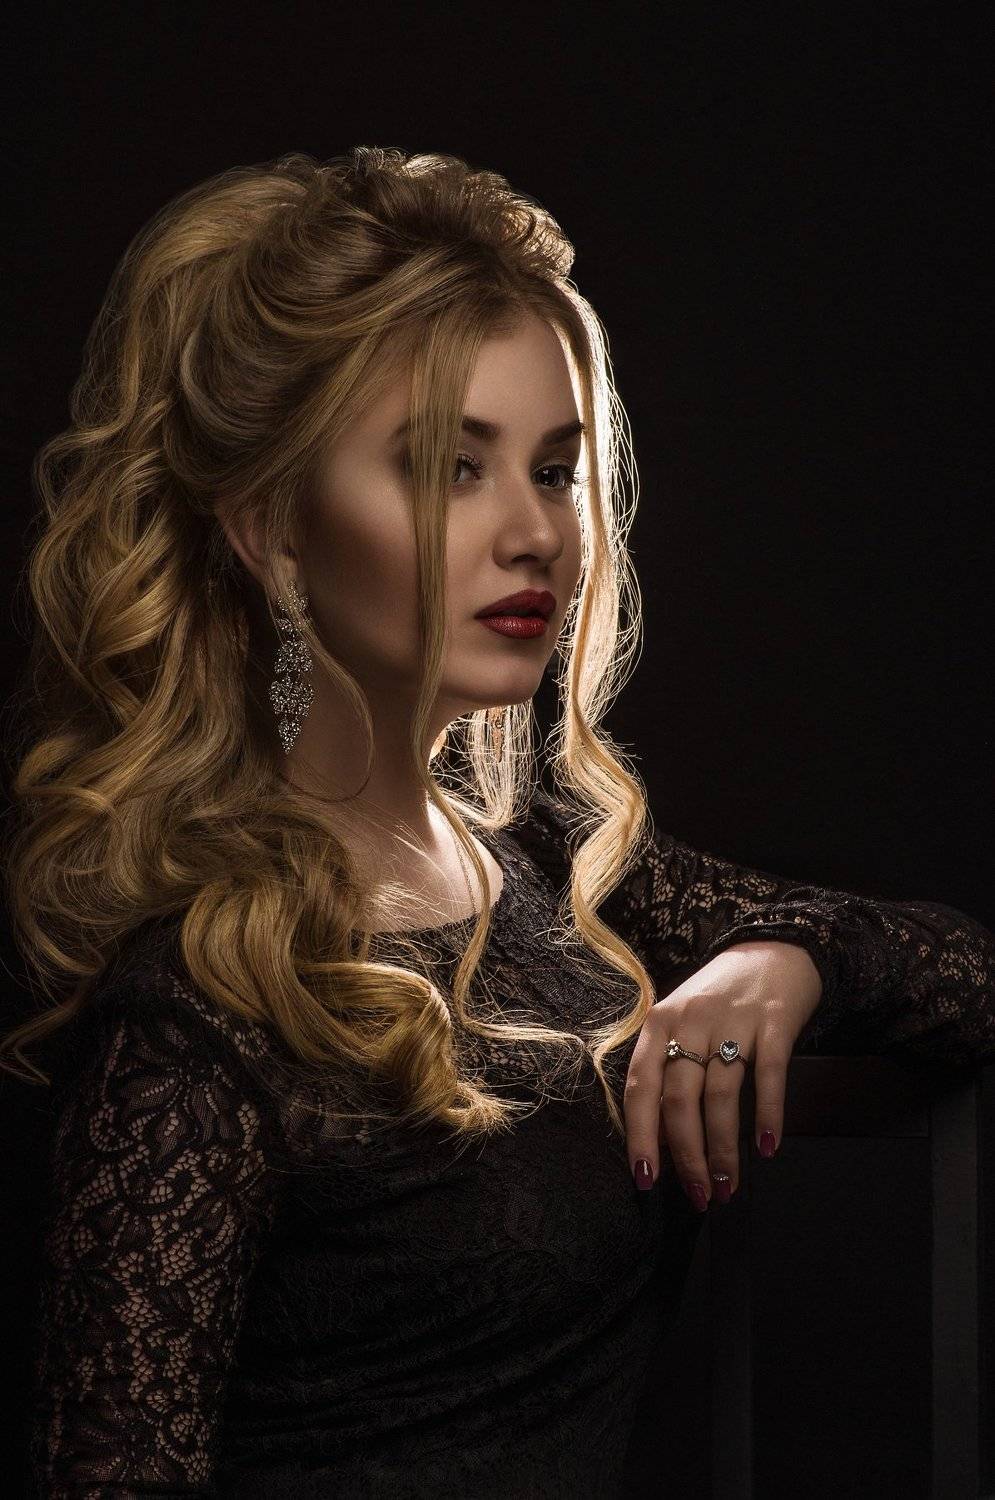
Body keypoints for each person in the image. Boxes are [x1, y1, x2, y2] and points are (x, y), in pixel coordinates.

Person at [2, 147, 992, 1499]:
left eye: (555, 469)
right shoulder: (197, 1012)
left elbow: (962, 978)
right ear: (274, 531)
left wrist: (780, 961)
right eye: (451, 468)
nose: (537, 534)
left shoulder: (547, 875)